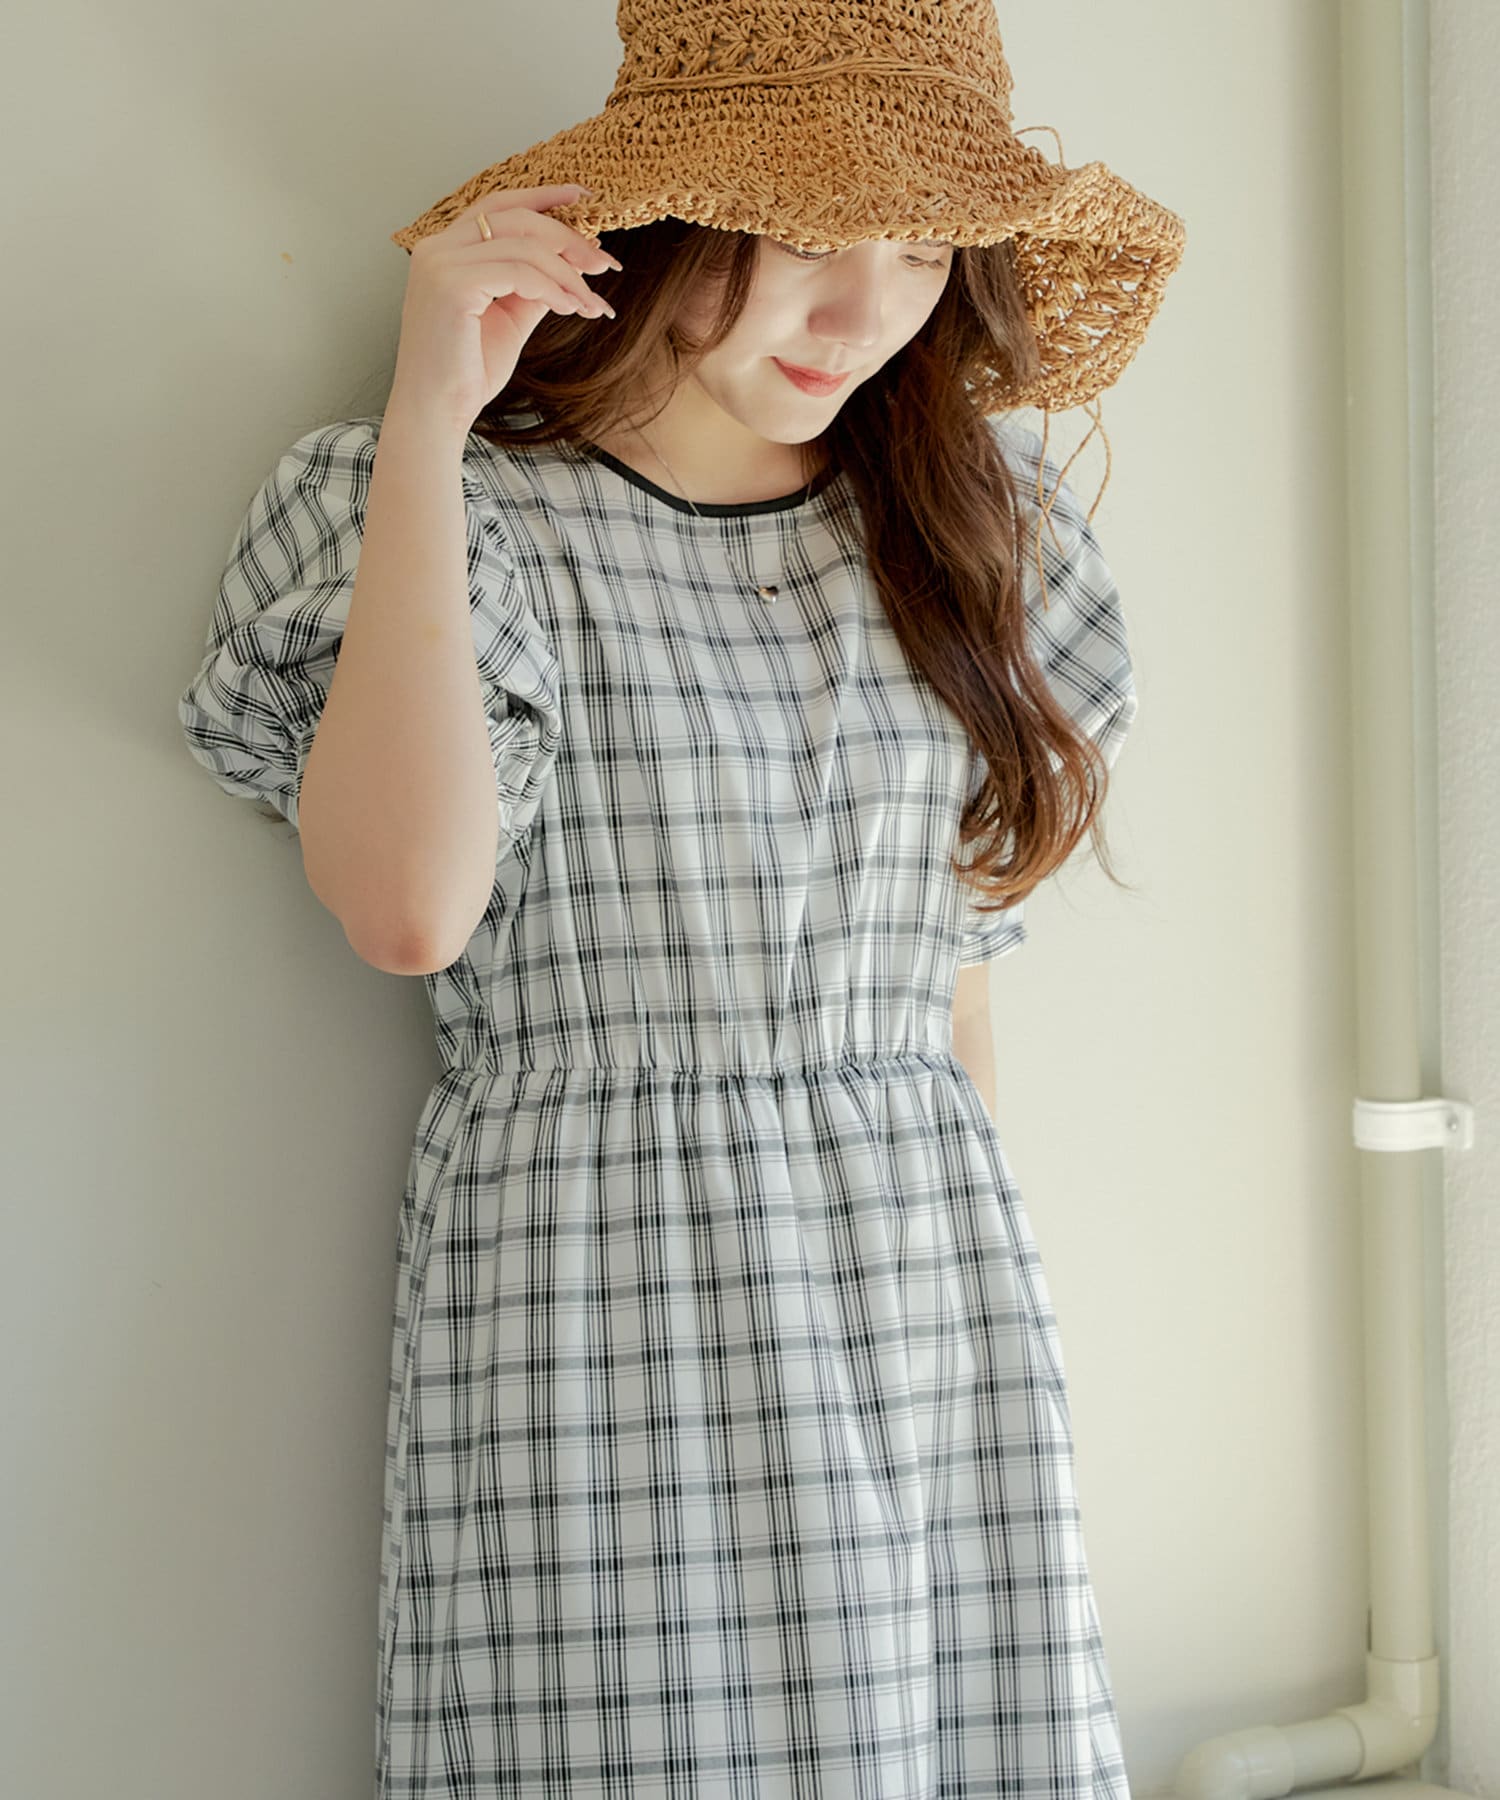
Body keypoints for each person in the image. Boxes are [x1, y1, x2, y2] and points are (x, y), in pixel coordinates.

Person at [178, 3, 1185, 1793]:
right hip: (606, 1288)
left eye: (920, 249)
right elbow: (409, 909)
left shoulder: (966, 530)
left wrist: (960, 1311)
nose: (863, 313)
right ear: (669, 212)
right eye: (808, 234)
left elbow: (953, 990)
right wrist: (428, 417)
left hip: (928, 1284)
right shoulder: (458, 514)